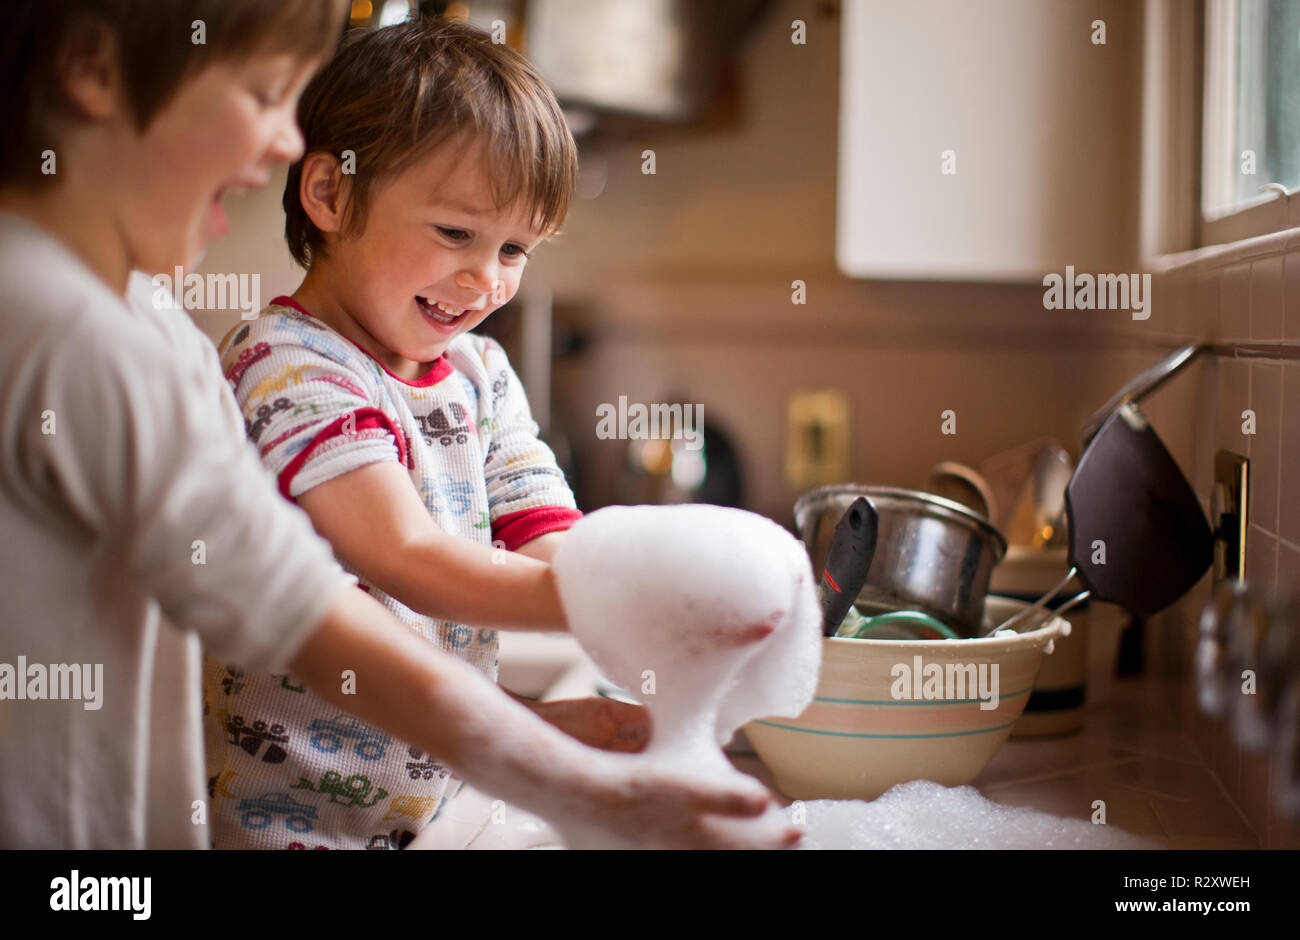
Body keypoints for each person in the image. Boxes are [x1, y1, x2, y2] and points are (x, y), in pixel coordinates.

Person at [0, 1, 799, 850]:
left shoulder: (149, 326)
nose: (282, 139)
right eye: (266, 91)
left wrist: (621, 615)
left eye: (516, 251)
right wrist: (619, 631)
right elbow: (344, 589)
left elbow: (540, 540)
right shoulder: (167, 344)